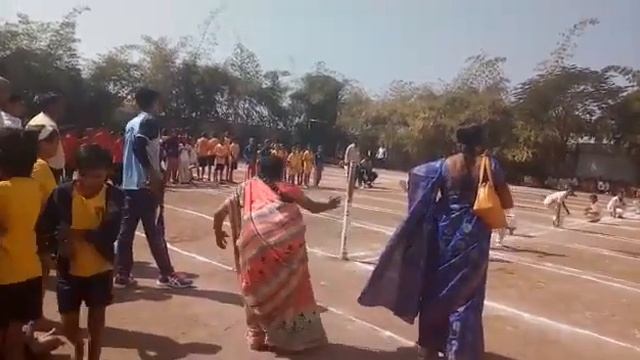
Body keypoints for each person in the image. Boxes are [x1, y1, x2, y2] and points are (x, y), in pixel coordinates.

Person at [359, 123, 513, 360]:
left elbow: (418, 176)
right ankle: (460, 351)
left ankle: (429, 346)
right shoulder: (490, 165)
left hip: (444, 232)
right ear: (481, 142)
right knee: (467, 295)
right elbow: (506, 199)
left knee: (435, 289)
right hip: (475, 234)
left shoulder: (445, 165)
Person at [212, 155, 340, 352]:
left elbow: (218, 213)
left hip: (252, 247)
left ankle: (256, 336)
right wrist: (330, 205)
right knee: (291, 290)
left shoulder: (246, 188)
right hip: (287, 250)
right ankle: (292, 339)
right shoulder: (289, 189)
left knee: (252, 287)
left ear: (258, 169)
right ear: (281, 171)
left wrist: (218, 232)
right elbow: (313, 207)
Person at [37, 144, 124, 360]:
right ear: (77, 171)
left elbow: (109, 232)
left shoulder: (114, 196)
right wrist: (47, 252)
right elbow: (44, 226)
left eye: (97, 175)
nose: (90, 180)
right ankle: (78, 349)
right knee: (68, 325)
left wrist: (76, 234)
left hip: (100, 269)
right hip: (68, 271)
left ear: (107, 173)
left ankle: (93, 356)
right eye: (84, 174)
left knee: (96, 322)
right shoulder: (62, 194)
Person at [115, 88, 193, 289]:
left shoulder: (131, 123)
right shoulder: (150, 121)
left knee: (127, 231)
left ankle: (122, 273)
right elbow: (139, 146)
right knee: (154, 230)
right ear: (155, 101)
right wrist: (152, 172)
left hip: (130, 183)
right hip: (145, 184)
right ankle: (167, 274)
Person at [0, 128, 44, 360]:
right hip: (29, 272)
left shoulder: (3, 192)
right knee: (14, 341)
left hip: (4, 277)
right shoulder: (33, 187)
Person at [27, 92, 66, 181]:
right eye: (60, 104)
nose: (63, 108)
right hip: (48, 171)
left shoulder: (38, 120)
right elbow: (47, 152)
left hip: (38, 169)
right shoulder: (47, 125)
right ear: (51, 106)